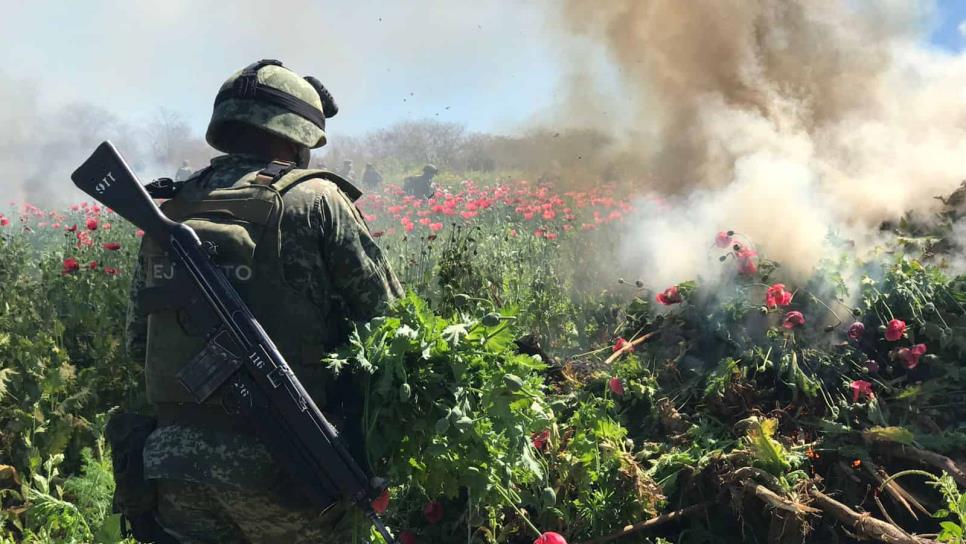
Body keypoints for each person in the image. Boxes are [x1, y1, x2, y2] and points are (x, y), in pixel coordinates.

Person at [125, 59, 403, 543]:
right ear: (299, 137)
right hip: (286, 467)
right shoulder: (317, 200)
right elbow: (391, 326)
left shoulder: (171, 210)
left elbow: (136, 344)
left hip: (173, 468)